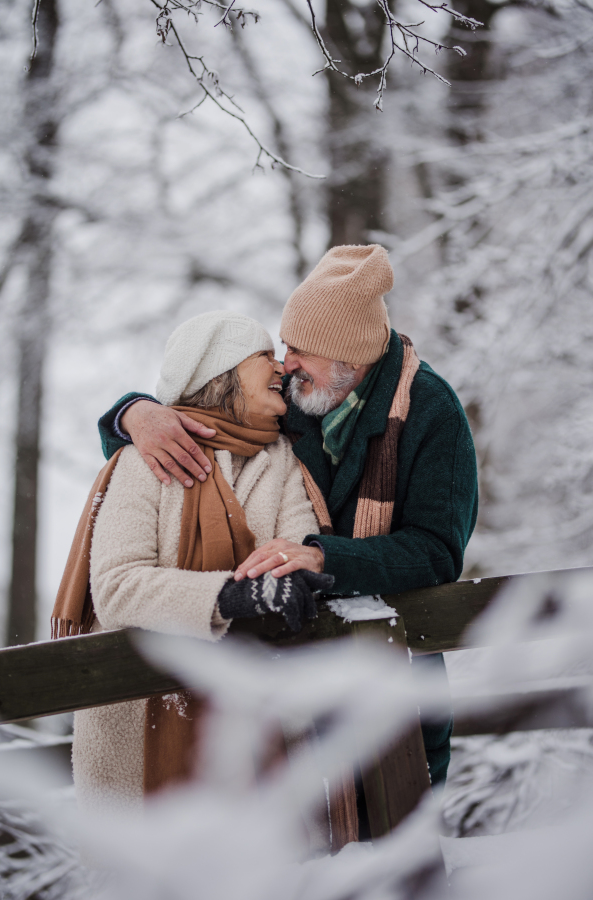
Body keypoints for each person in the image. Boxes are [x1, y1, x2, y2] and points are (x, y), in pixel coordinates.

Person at [97, 244, 479, 787]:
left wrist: (326, 555)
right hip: (294, 689)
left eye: (300, 347)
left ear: (347, 354)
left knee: (398, 843)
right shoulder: (302, 395)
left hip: (394, 679)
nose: (285, 362)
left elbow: (437, 553)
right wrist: (132, 413)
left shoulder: (432, 415)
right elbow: (205, 413)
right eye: (284, 345)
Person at [52, 311, 332, 813]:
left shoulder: (286, 460)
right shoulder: (143, 459)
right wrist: (231, 595)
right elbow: (117, 587)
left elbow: (293, 551)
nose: (281, 368)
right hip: (142, 723)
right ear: (220, 370)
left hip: (258, 719)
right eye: (264, 354)